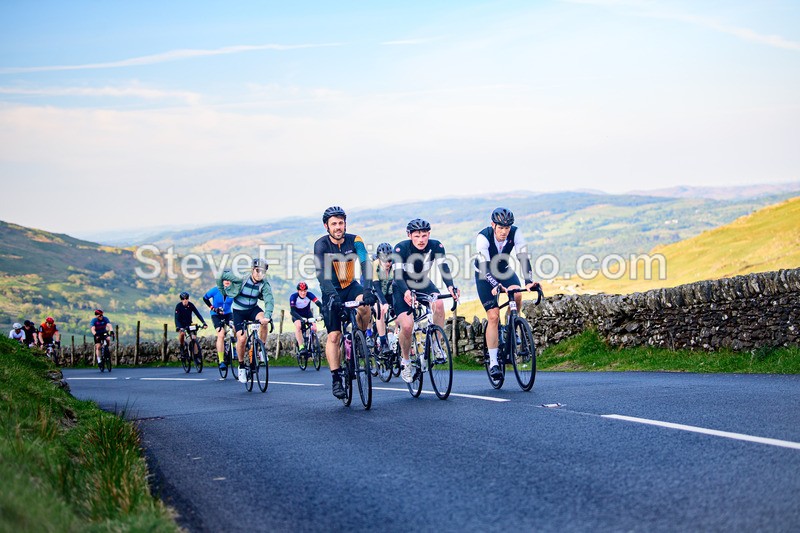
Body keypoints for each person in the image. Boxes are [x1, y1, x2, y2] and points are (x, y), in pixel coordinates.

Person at [313, 206, 375, 399]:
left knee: (365, 305)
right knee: (334, 336)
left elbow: (365, 262)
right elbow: (322, 274)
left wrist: (367, 289)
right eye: (334, 224)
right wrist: (333, 296)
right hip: (330, 290)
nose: (338, 227)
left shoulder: (355, 240)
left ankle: (360, 340)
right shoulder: (321, 245)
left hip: (350, 286)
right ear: (326, 226)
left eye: (341, 223)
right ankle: (336, 378)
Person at [474, 207, 539, 380]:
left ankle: (511, 322)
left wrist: (528, 281)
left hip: (504, 270)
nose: (504, 232)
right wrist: (496, 285)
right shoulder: (483, 237)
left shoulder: (515, 233)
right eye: (501, 228)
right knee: (493, 316)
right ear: (493, 225)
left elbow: (523, 257)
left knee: (517, 294)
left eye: (507, 228)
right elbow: (484, 267)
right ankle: (494, 362)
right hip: (484, 273)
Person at [393, 218, 460, 383]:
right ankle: (406, 361)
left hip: (422, 283)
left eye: (424, 235)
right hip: (401, 287)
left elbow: (443, 268)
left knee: (438, 303)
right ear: (409, 235)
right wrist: (407, 292)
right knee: (407, 326)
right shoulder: (400, 248)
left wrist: (451, 286)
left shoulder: (436, 246)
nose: (421, 240)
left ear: (429, 234)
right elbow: (398, 276)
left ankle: (436, 343)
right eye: (417, 236)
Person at [217, 259, 274, 383]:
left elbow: (269, 300)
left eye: (263, 272)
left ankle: (260, 350)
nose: (260, 274)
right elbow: (220, 276)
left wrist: (268, 316)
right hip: (238, 312)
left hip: (253, 309)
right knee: (242, 339)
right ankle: (241, 366)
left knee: (264, 320)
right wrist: (223, 292)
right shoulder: (241, 278)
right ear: (252, 270)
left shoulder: (264, 284)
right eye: (258, 271)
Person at [370, 242, 396, 357]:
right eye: (385, 260)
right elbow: (376, 286)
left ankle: (398, 340)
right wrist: (384, 303)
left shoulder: (394, 265)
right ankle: (384, 342)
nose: (388, 263)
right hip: (375, 293)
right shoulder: (374, 265)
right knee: (379, 310)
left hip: (389, 293)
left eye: (390, 260)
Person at [203, 281, 234, 370]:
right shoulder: (215, 290)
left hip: (228, 313)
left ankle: (234, 347)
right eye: (225, 280)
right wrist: (213, 308)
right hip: (216, 314)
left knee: (236, 327)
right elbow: (205, 298)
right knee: (221, 334)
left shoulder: (233, 291)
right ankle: (221, 361)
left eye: (229, 280)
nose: (227, 282)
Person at [289, 281, 323, 356]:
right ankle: (301, 346)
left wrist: (321, 315)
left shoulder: (309, 295)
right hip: (297, 315)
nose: (303, 293)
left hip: (307, 314)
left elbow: (319, 305)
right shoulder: (293, 297)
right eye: (301, 291)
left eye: (305, 291)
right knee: (298, 326)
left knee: (314, 328)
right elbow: (292, 311)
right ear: (298, 291)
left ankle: (312, 345)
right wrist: (301, 319)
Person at [174, 292, 208, 356]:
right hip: (181, 324)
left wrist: (204, 323)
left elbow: (198, 314)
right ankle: (182, 346)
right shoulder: (178, 306)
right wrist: (178, 327)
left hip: (189, 323)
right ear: (181, 300)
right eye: (183, 299)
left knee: (193, 337)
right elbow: (176, 318)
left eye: (186, 298)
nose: (185, 300)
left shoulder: (191, 305)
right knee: (182, 334)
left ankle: (196, 355)